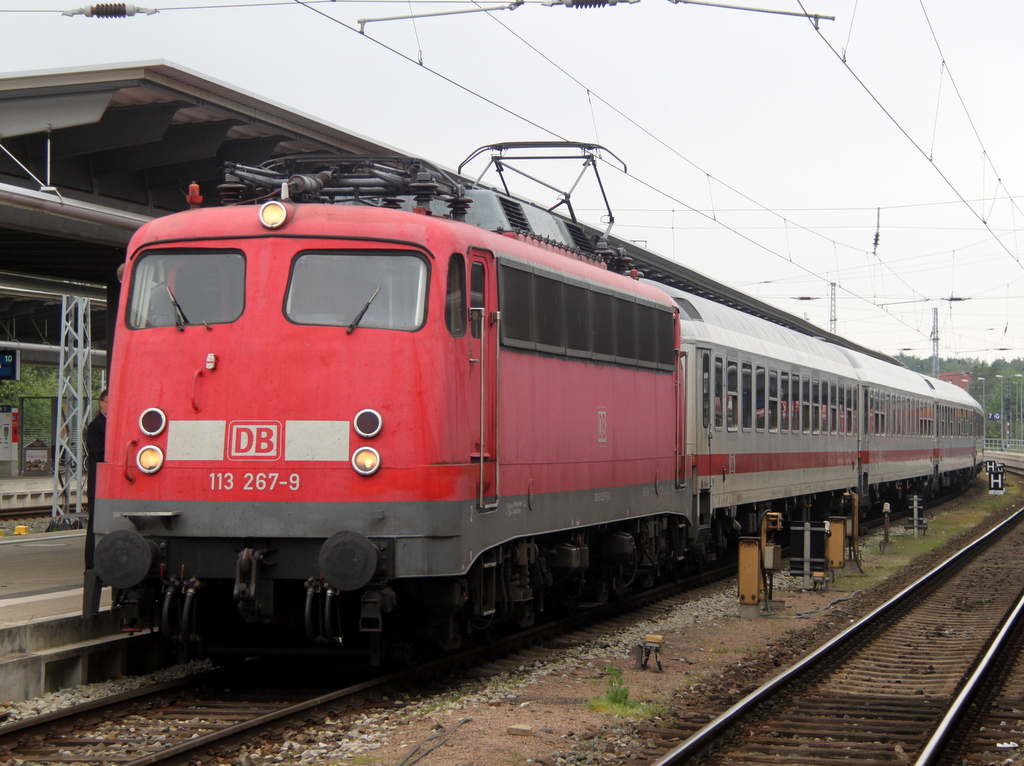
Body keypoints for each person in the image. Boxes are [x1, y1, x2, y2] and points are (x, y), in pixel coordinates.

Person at [85, 389, 107, 570]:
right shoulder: (96, 426)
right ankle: (91, 567)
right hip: (99, 484)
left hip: (111, 486)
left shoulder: (118, 424)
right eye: (110, 401)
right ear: (101, 402)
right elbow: (99, 453)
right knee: (94, 527)